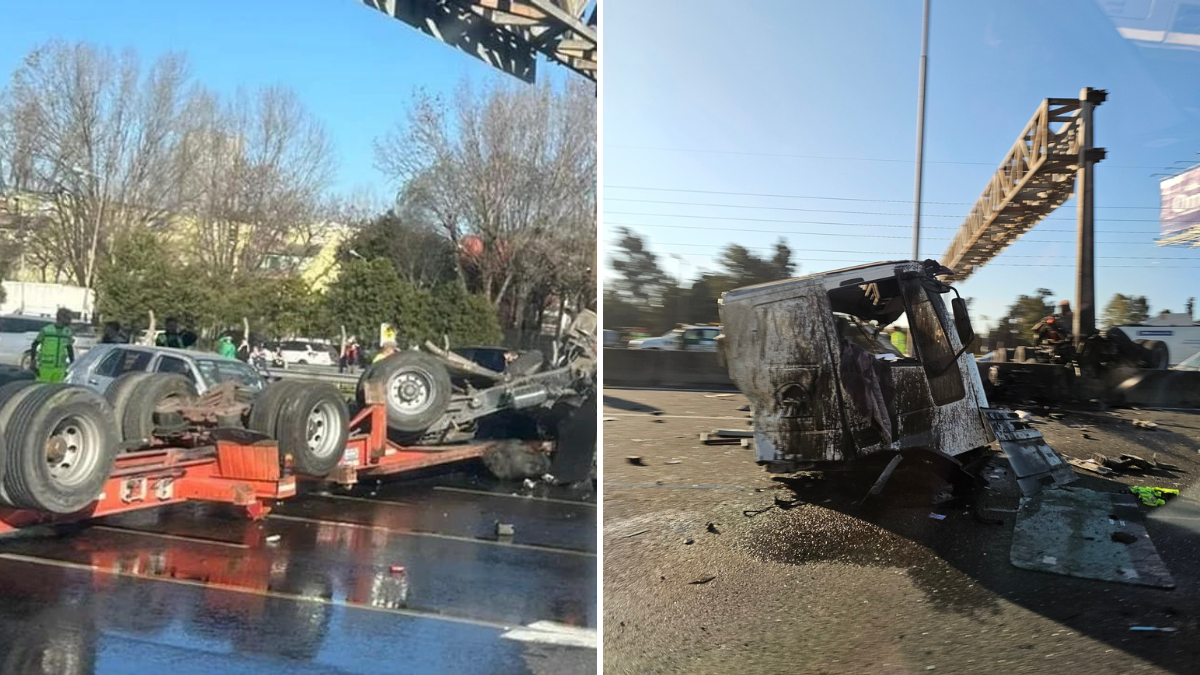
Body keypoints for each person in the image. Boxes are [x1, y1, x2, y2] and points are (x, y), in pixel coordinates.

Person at [32, 308, 75, 383]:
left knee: (56, 391)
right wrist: (33, 361)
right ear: (61, 317)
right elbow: (34, 344)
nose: (70, 321)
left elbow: (69, 348)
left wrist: (72, 363)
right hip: (45, 367)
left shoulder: (67, 332)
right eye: (68, 318)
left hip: (60, 368)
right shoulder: (46, 330)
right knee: (42, 390)